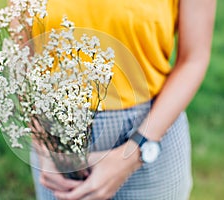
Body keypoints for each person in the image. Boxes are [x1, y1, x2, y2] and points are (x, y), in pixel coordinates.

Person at [23, 0, 216, 199]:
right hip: (58, 140)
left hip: (150, 128)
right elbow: (22, 59)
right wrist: (44, 145)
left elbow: (193, 58)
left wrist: (136, 150)